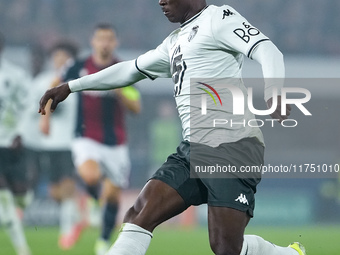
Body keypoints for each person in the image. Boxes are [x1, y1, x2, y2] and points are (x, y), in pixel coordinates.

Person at [39, 1, 306, 255]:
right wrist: (72, 86)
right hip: (193, 148)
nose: (160, 1)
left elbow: (267, 49)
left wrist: (274, 92)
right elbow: (128, 70)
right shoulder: (174, 41)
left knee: (226, 247)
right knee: (139, 214)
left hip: (232, 147)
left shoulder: (219, 18)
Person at [43, 23, 141, 255]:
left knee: (113, 196)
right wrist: (44, 117)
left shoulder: (122, 69)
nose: (105, 43)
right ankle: (94, 206)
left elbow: (135, 107)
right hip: (85, 136)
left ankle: (103, 243)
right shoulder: (78, 66)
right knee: (90, 174)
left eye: (109, 39)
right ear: (93, 42)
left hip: (116, 142)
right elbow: (53, 86)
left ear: (115, 43)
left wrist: (118, 89)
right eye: (101, 39)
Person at [24, 40, 85, 250]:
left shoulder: (76, 82)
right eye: (57, 56)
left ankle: (67, 232)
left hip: (68, 142)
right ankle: (79, 216)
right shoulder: (40, 82)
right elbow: (31, 109)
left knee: (67, 186)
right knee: (54, 192)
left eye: (64, 57)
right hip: (46, 143)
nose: (60, 60)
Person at [0, 31, 32, 255]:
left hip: (11, 144)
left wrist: (21, 132)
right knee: (3, 196)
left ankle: (11, 214)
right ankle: (22, 250)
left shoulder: (16, 75)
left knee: (22, 198)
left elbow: (28, 106)